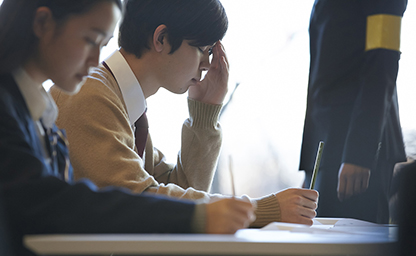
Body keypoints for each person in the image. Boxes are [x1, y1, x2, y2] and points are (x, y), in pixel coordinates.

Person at [0, 0, 256, 255]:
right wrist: (254, 210)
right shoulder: (81, 97)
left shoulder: (41, 111)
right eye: (91, 40)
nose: (95, 60)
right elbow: (57, 201)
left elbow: (176, 188)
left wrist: (204, 113)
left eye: (103, 44)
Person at [51, 0, 319, 228]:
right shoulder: (90, 94)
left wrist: (205, 113)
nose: (206, 65)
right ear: (162, 39)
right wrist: (261, 210)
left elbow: (176, 187)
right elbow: (140, 198)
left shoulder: (123, 102)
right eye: (203, 50)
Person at [299, 0, 407, 223]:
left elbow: (383, 60)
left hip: (356, 155)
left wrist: (360, 151)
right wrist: (312, 169)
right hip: (326, 153)